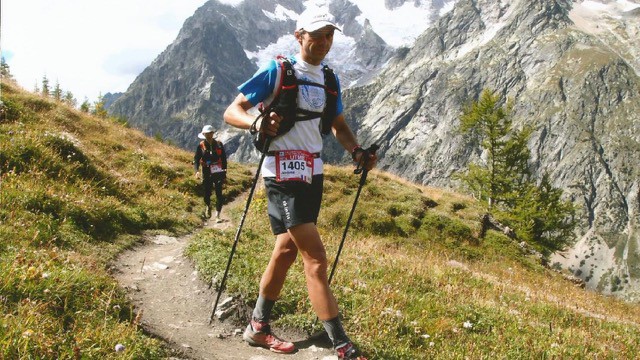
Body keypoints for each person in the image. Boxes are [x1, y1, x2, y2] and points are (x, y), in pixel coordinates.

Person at [223, 10, 376, 360]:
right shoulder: (277, 71)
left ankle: (258, 326)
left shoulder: (329, 79)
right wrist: (256, 123)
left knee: (286, 250)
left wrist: (355, 150)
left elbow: (337, 123)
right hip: (281, 173)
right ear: (299, 35)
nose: (322, 42)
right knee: (316, 260)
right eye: (316, 34)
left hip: (312, 174)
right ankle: (341, 345)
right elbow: (232, 111)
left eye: (329, 36)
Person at [194, 125, 227, 222]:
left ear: (213, 134)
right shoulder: (200, 146)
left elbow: (224, 159)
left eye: (210, 133)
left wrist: (225, 172)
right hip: (207, 171)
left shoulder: (219, 145)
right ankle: (208, 205)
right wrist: (196, 171)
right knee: (207, 192)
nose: (209, 135)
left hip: (218, 172)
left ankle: (217, 215)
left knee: (219, 193)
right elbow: (196, 159)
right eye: (207, 134)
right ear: (203, 134)